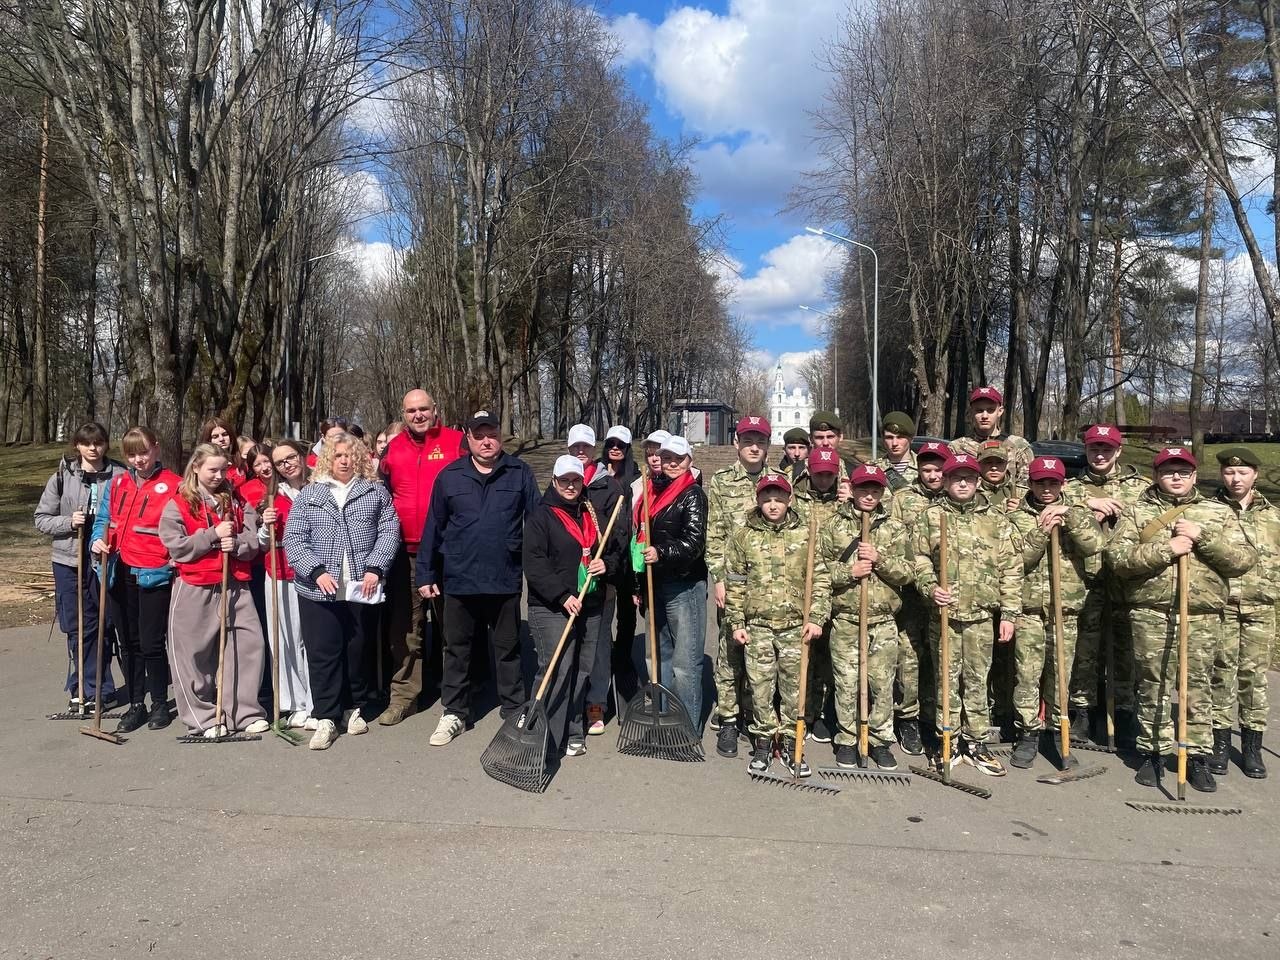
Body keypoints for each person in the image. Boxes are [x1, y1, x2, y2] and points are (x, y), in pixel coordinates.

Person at [1106, 447, 1256, 793]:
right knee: (1152, 684)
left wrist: (1202, 538)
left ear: (1193, 476)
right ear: (1157, 475)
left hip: (1201, 614)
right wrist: (1166, 549)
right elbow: (1119, 559)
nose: (1176, 477)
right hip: (1151, 612)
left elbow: (1242, 560)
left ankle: (1197, 755)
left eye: (1183, 471)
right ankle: (1152, 752)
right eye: (1168, 471)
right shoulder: (1137, 512)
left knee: (1197, 687)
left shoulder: (1216, 513)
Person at [417, 410, 540, 746]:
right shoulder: (450, 476)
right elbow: (434, 528)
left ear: (500, 436)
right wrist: (425, 572)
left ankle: (515, 708)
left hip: (504, 577)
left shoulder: (519, 473)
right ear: (468, 438)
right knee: (457, 649)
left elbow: (539, 523)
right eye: (479, 435)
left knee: (508, 649)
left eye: (493, 434)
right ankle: (454, 712)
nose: (487, 441)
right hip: (460, 578)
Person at [283, 432, 400, 750]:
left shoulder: (374, 491)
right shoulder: (311, 493)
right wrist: (315, 570)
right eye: (337, 455)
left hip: (361, 586)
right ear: (327, 460)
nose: (344, 460)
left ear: (359, 457)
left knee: (357, 648)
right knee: (324, 651)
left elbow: (389, 529)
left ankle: (353, 707)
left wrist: (376, 566)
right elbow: (294, 537)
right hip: (319, 588)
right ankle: (326, 716)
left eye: (349, 455)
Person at [910, 453, 1020, 776]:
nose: (962, 482)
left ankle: (975, 741)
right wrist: (930, 586)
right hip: (944, 615)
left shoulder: (995, 519)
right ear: (944, 481)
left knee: (977, 679)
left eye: (968, 478)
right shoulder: (931, 517)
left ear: (977, 482)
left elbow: (1010, 568)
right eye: (956, 477)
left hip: (981, 617)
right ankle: (949, 739)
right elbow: (917, 558)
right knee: (945, 678)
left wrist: (1010, 613)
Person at [159, 444, 269, 738]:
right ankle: (203, 717)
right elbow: (176, 546)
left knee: (248, 645)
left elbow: (251, 541)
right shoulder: (179, 503)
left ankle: (242, 712)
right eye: (213, 470)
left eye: (224, 469)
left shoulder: (235, 500)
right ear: (196, 467)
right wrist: (211, 535)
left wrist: (238, 545)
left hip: (234, 582)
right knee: (193, 655)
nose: (220, 476)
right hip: (195, 585)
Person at [724, 472, 829, 776]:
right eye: (767, 499)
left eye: (779, 499)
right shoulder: (745, 535)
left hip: (795, 626)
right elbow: (735, 582)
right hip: (757, 627)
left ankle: (793, 744)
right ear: (758, 500)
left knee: (795, 690)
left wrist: (816, 617)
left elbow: (819, 579)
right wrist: (736, 621)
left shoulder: (805, 534)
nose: (773, 505)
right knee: (759, 688)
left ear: (789, 500)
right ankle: (764, 742)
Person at [1004, 457, 1104, 769]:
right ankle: (1028, 733)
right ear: (1030, 484)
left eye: (1053, 483)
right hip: (1030, 610)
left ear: (1062, 485)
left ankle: (1057, 734)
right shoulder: (1016, 518)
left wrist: (1070, 518)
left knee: (1061, 675)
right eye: (1040, 482)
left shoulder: (1078, 514)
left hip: (1067, 610)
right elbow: (1015, 561)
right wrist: (1041, 532)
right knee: (1028, 675)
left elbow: (1095, 546)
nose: (1046, 489)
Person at [523, 455, 622, 757]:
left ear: (582, 482)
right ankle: (543, 733)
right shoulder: (542, 516)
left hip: (590, 603)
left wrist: (606, 564)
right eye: (564, 480)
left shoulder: (592, 514)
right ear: (553, 481)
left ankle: (573, 728)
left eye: (575, 480)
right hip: (552, 606)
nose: (569, 485)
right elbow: (534, 564)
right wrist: (562, 596)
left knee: (582, 668)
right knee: (558, 668)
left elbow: (615, 549)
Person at [817, 464, 913, 769]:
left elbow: (908, 572)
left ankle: (879, 740)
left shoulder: (895, 528)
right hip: (846, 619)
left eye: (875, 489)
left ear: (883, 492)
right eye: (863, 489)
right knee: (846, 683)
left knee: (881, 684)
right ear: (852, 489)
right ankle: (847, 737)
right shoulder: (833, 526)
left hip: (882, 621)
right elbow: (818, 572)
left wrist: (879, 560)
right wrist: (850, 571)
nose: (869, 495)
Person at [379, 389, 464, 725]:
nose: (417, 415)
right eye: (411, 410)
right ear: (404, 414)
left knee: (453, 626)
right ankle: (404, 696)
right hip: (405, 553)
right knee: (406, 628)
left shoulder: (456, 443)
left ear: (435, 410)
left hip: (447, 552)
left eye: (423, 409)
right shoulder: (393, 449)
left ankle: (457, 696)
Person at [90, 427, 182, 733]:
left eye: (143, 452)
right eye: (131, 454)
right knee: (127, 641)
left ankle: (159, 702)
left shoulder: (173, 485)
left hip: (154, 571)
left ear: (156, 449)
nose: (138, 460)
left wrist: (176, 555)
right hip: (118, 569)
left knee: (151, 642)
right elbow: (104, 520)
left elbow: (183, 525)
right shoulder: (117, 483)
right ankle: (136, 703)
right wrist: (96, 540)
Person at [1064, 423, 1148, 745]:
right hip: (1085, 580)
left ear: (1118, 451)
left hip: (1126, 581)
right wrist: (1086, 506)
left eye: (1106, 449)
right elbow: (1051, 507)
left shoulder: (1139, 487)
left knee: (1125, 648)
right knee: (1085, 649)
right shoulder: (1072, 488)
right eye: (1094, 448)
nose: (1099, 454)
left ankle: (1123, 710)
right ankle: (1083, 711)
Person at [34, 422, 127, 713]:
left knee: (104, 624)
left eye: (98, 442)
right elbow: (41, 519)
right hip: (69, 560)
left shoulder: (121, 475)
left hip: (107, 560)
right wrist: (68, 522)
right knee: (77, 626)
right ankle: (81, 688)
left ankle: (102, 687)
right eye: (87, 443)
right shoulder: (62, 477)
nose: (93, 448)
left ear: (105, 445)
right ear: (77, 445)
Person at [1210, 447, 1277, 779]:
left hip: (1261, 607)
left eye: (1242, 472)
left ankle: (1251, 747)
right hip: (1222, 606)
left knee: (1254, 679)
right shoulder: (1208, 511)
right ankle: (1219, 744)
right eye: (1229, 473)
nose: (1235, 478)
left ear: (1255, 475)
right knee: (1221, 674)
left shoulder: (1273, 516)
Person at [706, 415, 771, 757]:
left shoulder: (778, 482)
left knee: (761, 653)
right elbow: (714, 534)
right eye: (748, 440)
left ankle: (753, 714)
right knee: (730, 651)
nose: (754, 447)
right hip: (733, 581)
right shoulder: (721, 481)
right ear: (737, 443)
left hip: (770, 584)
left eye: (759, 441)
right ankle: (728, 718)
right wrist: (718, 578)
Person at [638, 435, 709, 730]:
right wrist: (640, 585)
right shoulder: (654, 491)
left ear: (689, 461)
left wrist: (662, 552)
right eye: (666, 458)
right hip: (657, 584)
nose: (671, 463)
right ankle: (665, 716)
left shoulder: (692, 494)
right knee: (661, 657)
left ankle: (687, 726)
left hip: (684, 585)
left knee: (685, 662)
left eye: (677, 459)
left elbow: (694, 544)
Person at [888, 440, 950, 755]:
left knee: (941, 658)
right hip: (912, 591)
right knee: (909, 657)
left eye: (938, 469)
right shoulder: (903, 499)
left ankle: (934, 717)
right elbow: (895, 540)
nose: (932, 475)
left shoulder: (956, 498)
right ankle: (908, 717)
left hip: (947, 593)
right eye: (926, 469)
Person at [566, 424, 629, 736]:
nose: (580, 451)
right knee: (569, 643)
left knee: (599, 644)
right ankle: (569, 698)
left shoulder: (610, 489)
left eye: (585, 446)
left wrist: (609, 562)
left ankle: (596, 702)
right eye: (575, 446)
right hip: (570, 584)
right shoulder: (562, 485)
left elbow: (621, 538)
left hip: (600, 583)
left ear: (593, 449)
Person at [257, 439, 315, 730]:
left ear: (301, 456)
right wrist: (264, 526)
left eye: (290, 457)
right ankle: (295, 702)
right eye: (280, 462)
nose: (287, 464)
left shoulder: (320, 485)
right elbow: (263, 542)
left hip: (316, 573)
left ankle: (318, 700)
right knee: (287, 639)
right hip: (280, 572)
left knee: (313, 639)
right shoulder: (272, 495)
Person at [792, 447, 844, 743]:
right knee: (805, 653)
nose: (824, 479)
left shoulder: (844, 501)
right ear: (809, 472)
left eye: (829, 474)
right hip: (804, 585)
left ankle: (825, 712)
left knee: (830, 656)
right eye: (819, 473)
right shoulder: (796, 500)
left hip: (838, 586)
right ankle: (804, 711)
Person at [598, 426, 642, 705]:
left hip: (627, 557)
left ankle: (622, 657)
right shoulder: (597, 475)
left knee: (626, 614)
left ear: (627, 449)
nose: (615, 448)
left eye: (621, 445)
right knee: (602, 613)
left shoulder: (635, 478)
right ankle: (602, 659)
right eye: (611, 443)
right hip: (603, 555)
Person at [947, 387, 1034, 484]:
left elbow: (1028, 485)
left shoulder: (1018, 446)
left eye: (990, 410)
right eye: (979, 410)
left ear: (1000, 411)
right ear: (971, 412)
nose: (984, 416)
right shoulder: (957, 448)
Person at [873, 412, 918, 493]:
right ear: (883, 439)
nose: (894, 443)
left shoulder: (926, 468)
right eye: (889, 438)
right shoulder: (872, 469)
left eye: (900, 437)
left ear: (911, 439)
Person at [200, 417, 248, 490]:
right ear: (208, 440)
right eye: (215, 436)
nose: (221, 439)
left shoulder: (240, 461)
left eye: (225, 434)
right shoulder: (204, 464)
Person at [976, 440, 1025, 512]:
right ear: (979, 464)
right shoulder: (969, 491)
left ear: (1007, 464)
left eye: (999, 462)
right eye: (988, 462)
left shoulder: (1023, 494)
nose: (994, 468)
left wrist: (1021, 510)